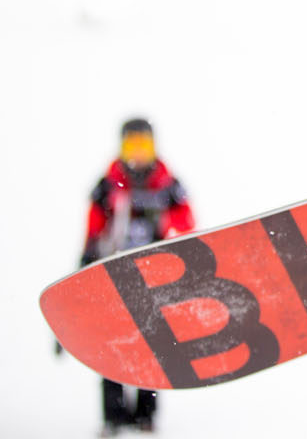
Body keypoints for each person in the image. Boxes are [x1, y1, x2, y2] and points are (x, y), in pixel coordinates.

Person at [79, 118, 195, 435]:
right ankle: (114, 415)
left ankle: (146, 414)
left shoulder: (167, 185)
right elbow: (94, 227)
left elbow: (186, 224)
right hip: (114, 275)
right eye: (132, 146)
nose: (139, 153)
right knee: (112, 345)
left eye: (144, 145)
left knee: (151, 346)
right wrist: (86, 259)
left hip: (154, 276)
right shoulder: (108, 186)